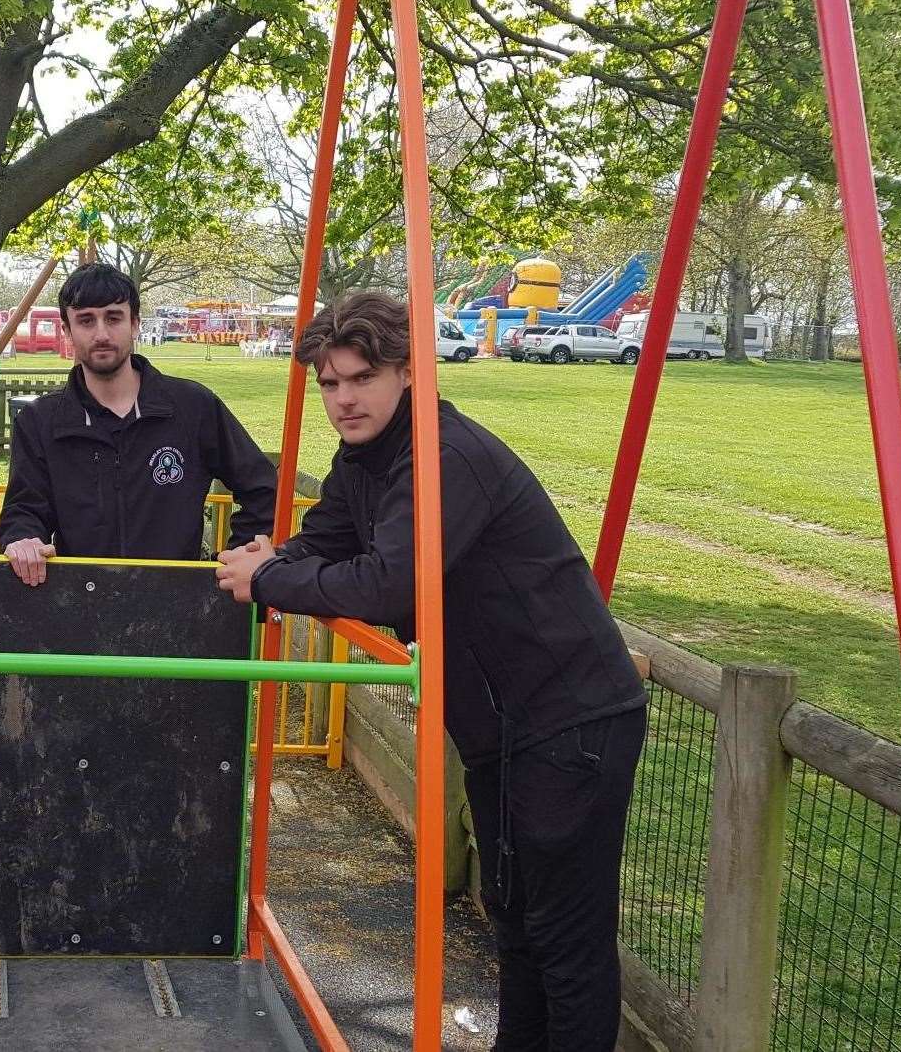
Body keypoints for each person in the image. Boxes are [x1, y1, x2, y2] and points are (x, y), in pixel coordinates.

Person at [214, 291, 647, 1051]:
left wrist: (270, 580)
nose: (343, 398)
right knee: (511, 915)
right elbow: (325, 539)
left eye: (360, 378)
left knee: (564, 935)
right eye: (329, 382)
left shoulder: (442, 458)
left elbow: (390, 582)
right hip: (503, 723)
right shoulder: (367, 457)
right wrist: (275, 558)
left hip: (569, 718)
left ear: (409, 373)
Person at [0, 262, 276, 585]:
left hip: (177, 607)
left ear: (135, 324)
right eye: (86, 320)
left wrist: (232, 560)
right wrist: (24, 538)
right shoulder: (40, 421)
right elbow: (24, 509)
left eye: (113, 318)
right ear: (67, 331)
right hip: (78, 606)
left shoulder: (192, 407)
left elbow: (263, 487)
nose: (101, 333)